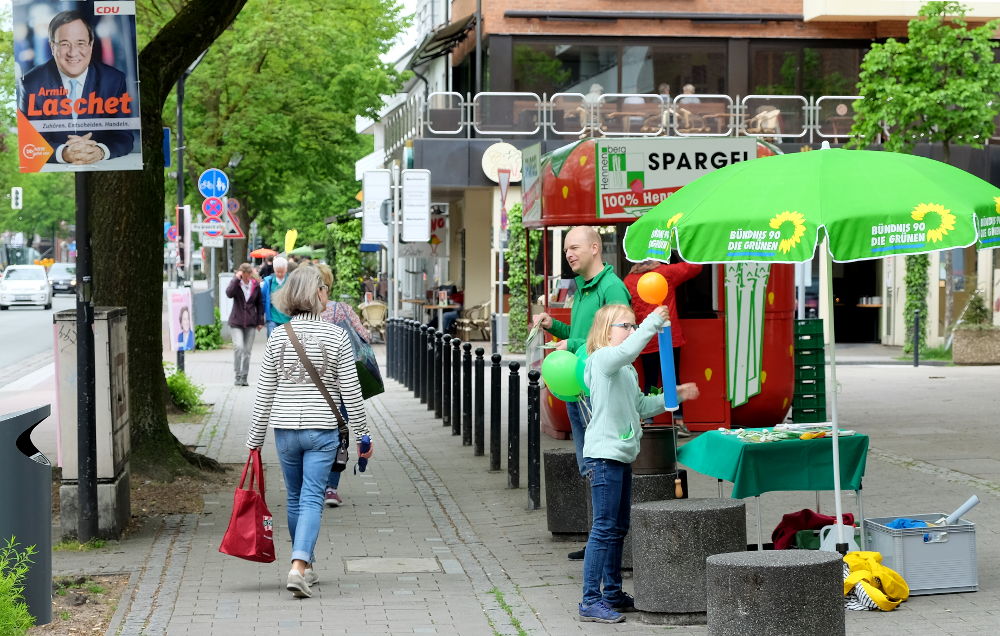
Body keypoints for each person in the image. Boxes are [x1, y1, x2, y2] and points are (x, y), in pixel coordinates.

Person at [246, 266, 373, 599]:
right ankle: (299, 566)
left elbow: (265, 393)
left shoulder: (278, 337)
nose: (327, 294)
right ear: (318, 294)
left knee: (295, 498)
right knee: (313, 498)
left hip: (285, 431)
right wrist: (363, 435)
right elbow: (351, 391)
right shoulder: (335, 336)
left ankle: (308, 567)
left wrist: (254, 442)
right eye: (325, 289)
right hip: (322, 431)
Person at [577, 304, 699, 623]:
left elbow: (641, 404)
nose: (632, 332)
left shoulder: (625, 370)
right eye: (625, 326)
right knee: (604, 528)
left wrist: (675, 396)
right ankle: (590, 599)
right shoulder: (603, 359)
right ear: (606, 331)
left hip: (620, 456)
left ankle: (612, 593)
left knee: (617, 528)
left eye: (634, 326)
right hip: (604, 457)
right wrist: (652, 322)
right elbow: (630, 350)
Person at [533, 226, 630, 560]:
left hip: (598, 392)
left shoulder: (612, 288)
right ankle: (596, 540)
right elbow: (582, 336)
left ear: (594, 248)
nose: (568, 254)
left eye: (574, 247)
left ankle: (602, 544)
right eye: (565, 250)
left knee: (600, 465)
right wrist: (554, 326)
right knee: (588, 465)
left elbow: (618, 342)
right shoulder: (583, 288)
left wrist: (571, 343)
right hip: (579, 389)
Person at [17, 10, 134, 164]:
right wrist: (64, 153)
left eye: (80, 43)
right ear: (52, 47)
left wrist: (99, 151)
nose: (73, 53)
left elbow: (124, 137)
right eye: (65, 44)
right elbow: (28, 142)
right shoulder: (30, 83)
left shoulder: (113, 79)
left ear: (91, 45)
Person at [623, 259, 703, 437]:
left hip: (645, 339)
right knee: (673, 378)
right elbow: (695, 266)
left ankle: (647, 421)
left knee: (650, 380)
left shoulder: (629, 280)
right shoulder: (665, 272)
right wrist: (681, 251)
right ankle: (679, 421)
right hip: (669, 335)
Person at [315, 263, 371, 507]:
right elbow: (365, 338)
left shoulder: (301, 314)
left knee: (313, 436)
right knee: (339, 436)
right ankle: (331, 488)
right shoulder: (343, 310)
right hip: (341, 385)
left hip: (310, 388)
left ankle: (313, 487)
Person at [226, 263, 264, 386]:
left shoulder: (255, 285)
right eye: (243, 275)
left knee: (247, 351)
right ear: (241, 274)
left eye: (248, 275)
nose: (246, 278)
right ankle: (237, 375)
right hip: (236, 322)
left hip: (251, 322)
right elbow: (229, 293)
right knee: (239, 347)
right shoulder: (236, 285)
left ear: (250, 274)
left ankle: (244, 377)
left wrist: (260, 321)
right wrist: (236, 279)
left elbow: (259, 304)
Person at [262, 256, 291, 337]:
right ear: (274, 269)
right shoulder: (269, 282)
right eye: (278, 272)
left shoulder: (291, 282)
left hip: (288, 319)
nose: (280, 274)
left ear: (286, 269)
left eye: (282, 272)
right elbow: (263, 300)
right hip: (272, 318)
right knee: (273, 342)